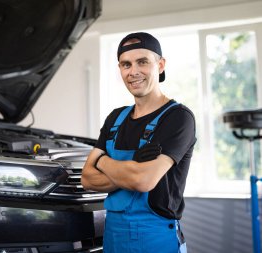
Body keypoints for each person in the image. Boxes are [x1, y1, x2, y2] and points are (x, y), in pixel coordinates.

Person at [81, 32, 196, 253]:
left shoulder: (178, 118)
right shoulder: (116, 118)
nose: (133, 72)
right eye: (126, 64)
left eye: (142, 62)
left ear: (160, 65)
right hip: (112, 233)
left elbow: (143, 181)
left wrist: (103, 160)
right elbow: (87, 178)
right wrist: (133, 164)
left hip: (155, 236)